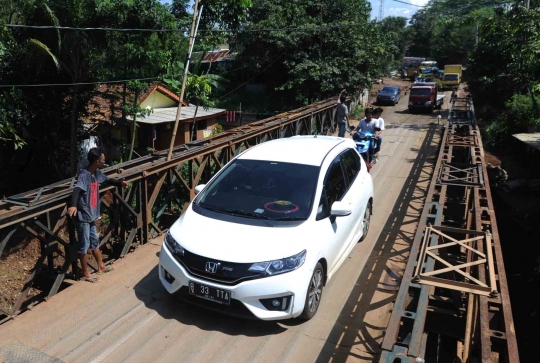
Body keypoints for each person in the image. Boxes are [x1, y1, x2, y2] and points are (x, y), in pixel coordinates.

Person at [68, 147, 128, 283]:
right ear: (96, 161)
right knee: (84, 244)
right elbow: (77, 189)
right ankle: (85, 273)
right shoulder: (85, 175)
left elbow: (107, 180)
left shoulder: (96, 173)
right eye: (102, 159)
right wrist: (73, 205)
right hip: (83, 217)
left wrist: (120, 183)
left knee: (94, 241)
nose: (104, 160)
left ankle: (101, 266)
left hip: (91, 216)